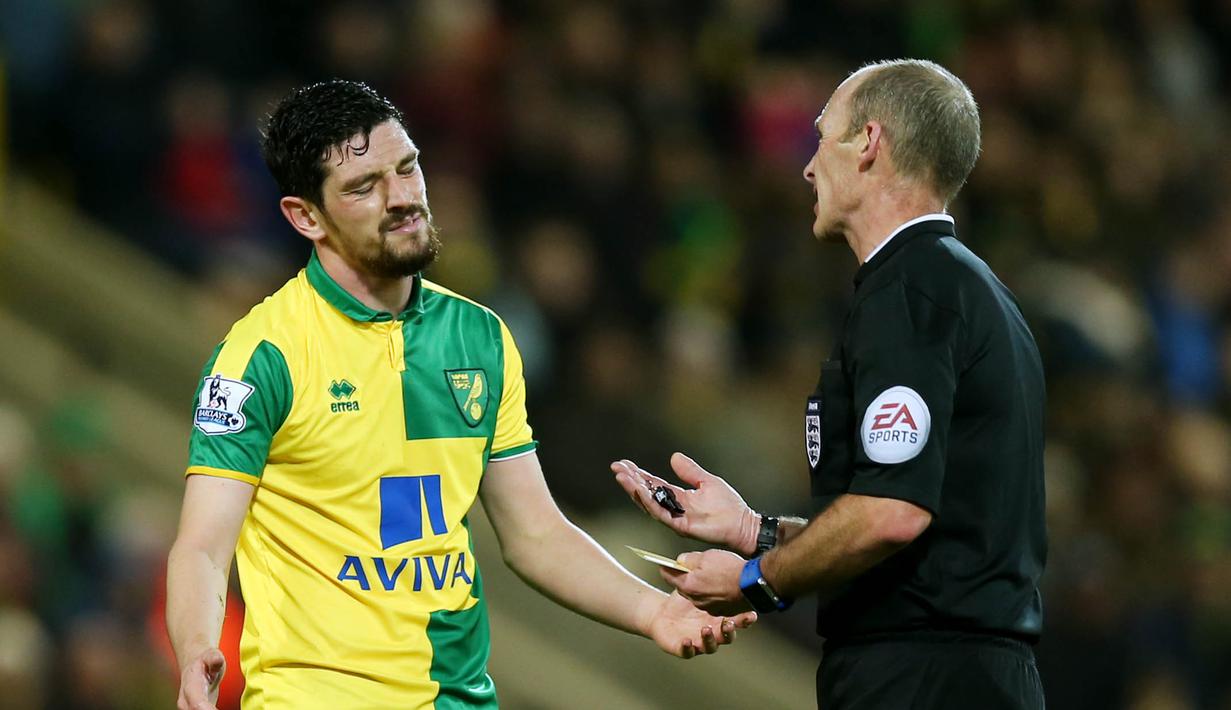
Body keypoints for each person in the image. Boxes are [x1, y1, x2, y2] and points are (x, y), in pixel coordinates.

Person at [165, 79, 753, 710]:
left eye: (408, 168)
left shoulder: (481, 338)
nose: (402, 198)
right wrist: (198, 644)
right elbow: (202, 544)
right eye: (364, 187)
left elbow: (534, 533)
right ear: (305, 216)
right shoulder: (262, 355)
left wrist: (654, 611)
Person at [613, 59, 1047, 709]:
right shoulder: (961, 291)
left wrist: (754, 579)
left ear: (868, 143)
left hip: (922, 681)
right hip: (957, 674)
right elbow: (915, 528)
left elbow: (888, 515)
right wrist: (749, 530)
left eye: (822, 136)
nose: (808, 166)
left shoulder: (909, 290)